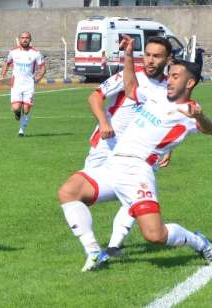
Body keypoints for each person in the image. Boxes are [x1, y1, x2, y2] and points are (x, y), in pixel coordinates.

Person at [58, 35, 212, 272]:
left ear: (189, 83)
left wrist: (199, 116)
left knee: (155, 235)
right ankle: (94, 252)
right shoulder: (155, 96)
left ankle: (199, 242)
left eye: (176, 77)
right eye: (171, 75)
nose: (170, 80)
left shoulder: (188, 111)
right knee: (68, 191)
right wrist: (127, 55)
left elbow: (210, 130)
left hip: (137, 172)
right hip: (113, 165)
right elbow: (131, 86)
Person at [71, 36, 173, 258]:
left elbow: (169, 120)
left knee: (135, 197)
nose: (150, 60)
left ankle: (113, 247)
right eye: (147, 54)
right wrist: (103, 122)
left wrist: (168, 149)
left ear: (168, 59)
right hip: (107, 145)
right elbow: (94, 97)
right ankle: (91, 245)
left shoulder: (169, 88)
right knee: (80, 195)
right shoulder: (129, 76)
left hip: (140, 153)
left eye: (156, 56)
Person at [0, 32, 46, 137]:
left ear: (30, 39)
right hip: (16, 85)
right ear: (19, 39)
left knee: (26, 109)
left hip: (29, 85)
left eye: (27, 38)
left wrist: (39, 77)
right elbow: (7, 63)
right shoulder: (13, 52)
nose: (25, 40)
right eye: (22, 38)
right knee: (16, 108)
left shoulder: (36, 53)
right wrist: (2, 75)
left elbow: (42, 67)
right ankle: (17, 114)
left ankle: (21, 130)